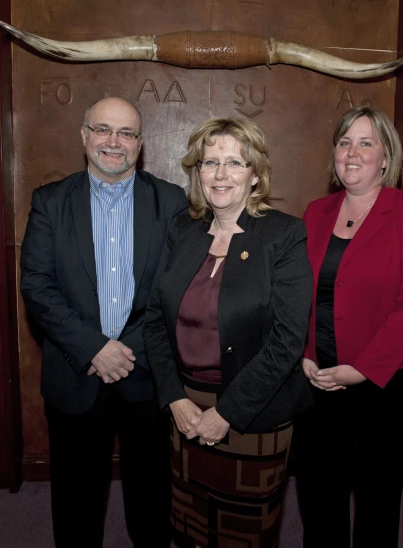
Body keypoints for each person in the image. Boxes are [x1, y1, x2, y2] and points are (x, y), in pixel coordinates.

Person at [19, 97, 187, 548]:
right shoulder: (50, 201)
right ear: (84, 135)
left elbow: (174, 288)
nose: (114, 142)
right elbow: (37, 285)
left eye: (127, 133)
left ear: (141, 144)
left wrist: (124, 351)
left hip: (147, 374)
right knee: (76, 502)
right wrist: (94, 347)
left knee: (152, 498)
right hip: (76, 373)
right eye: (103, 130)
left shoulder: (172, 202)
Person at [143, 117, 313, 548]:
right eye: (210, 162)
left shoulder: (284, 234)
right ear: (198, 171)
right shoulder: (183, 229)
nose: (220, 174)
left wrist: (228, 413)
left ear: (255, 175)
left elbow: (287, 341)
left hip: (254, 410)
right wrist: (174, 396)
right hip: (188, 407)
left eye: (235, 163)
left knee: (244, 533)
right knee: (190, 523)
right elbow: (155, 321)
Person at [295, 106, 403, 547]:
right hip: (317, 381)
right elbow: (299, 292)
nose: (352, 153)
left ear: (385, 157)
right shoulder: (315, 212)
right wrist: (303, 353)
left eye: (365, 142)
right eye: (344, 142)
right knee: (319, 497)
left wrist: (361, 368)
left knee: (378, 502)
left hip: (385, 385)